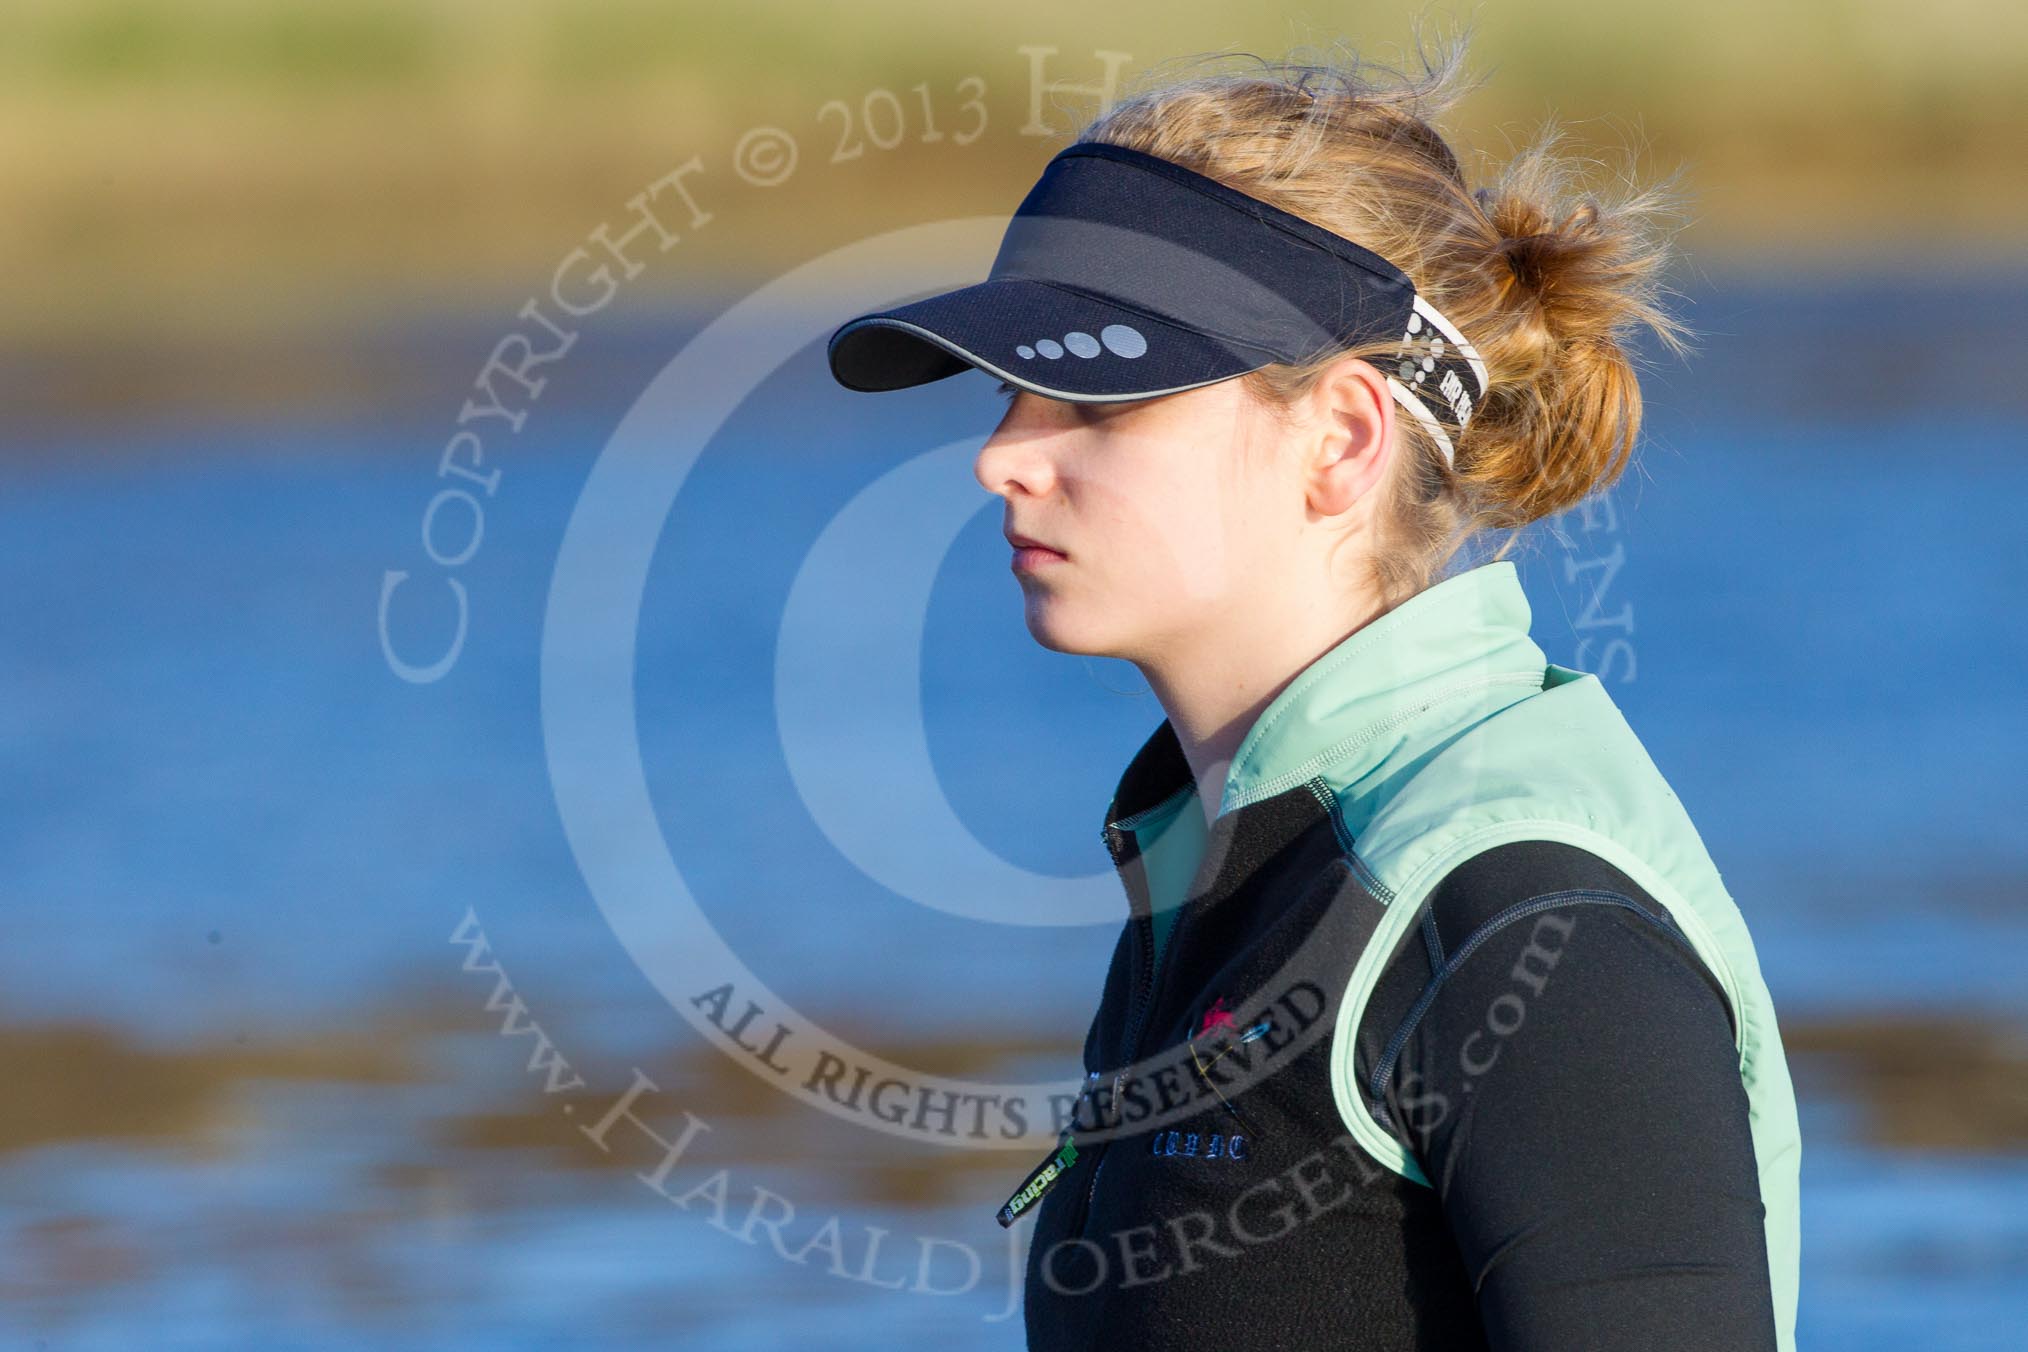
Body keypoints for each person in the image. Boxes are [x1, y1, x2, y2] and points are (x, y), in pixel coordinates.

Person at [826, 35, 1800, 1352]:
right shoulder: (1234, 866)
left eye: (1095, 403)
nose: (1003, 459)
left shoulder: (1519, 907)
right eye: (1012, 392)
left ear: (1341, 439)